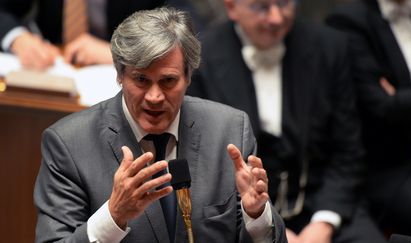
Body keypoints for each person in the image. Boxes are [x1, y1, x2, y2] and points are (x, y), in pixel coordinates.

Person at [33, 7, 288, 243]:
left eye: (167, 81)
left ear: (188, 77)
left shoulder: (229, 130)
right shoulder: (69, 143)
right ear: (120, 75)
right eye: (141, 80)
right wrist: (113, 216)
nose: (154, 96)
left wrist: (255, 215)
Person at [186, 0, 387, 242]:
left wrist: (324, 222)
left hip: (325, 202)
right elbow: (206, 163)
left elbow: (348, 151)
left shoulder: (329, 47)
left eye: (284, 4)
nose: (276, 18)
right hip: (242, 212)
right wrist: (266, 223)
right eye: (260, 7)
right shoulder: (200, 58)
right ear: (231, 7)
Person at [326, 0, 411, 241]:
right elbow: (382, 107)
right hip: (393, 167)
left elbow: (396, 103)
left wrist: (404, 99)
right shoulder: (351, 20)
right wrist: (397, 102)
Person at [0, 0, 165, 69]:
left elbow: (182, 24)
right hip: (53, 66)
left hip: (117, 76)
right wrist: (18, 38)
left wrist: (123, 52)